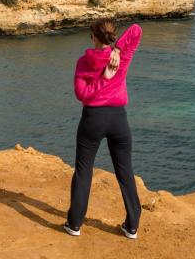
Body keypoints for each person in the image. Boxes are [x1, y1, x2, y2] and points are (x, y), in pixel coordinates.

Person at [63, 18, 143, 239]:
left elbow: (82, 95)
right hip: (119, 120)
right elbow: (136, 30)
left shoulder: (83, 61)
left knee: (83, 170)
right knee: (125, 171)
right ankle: (132, 227)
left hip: (93, 120)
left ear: (93, 37)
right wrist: (117, 51)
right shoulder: (122, 57)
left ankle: (74, 224)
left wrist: (101, 80)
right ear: (112, 36)